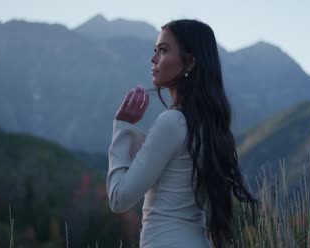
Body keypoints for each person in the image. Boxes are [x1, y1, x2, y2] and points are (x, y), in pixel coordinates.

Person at [106, 19, 258, 247]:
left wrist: (121, 128)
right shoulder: (208, 125)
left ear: (189, 63)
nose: (154, 58)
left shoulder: (173, 122)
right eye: (155, 49)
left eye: (163, 50)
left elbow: (119, 199)